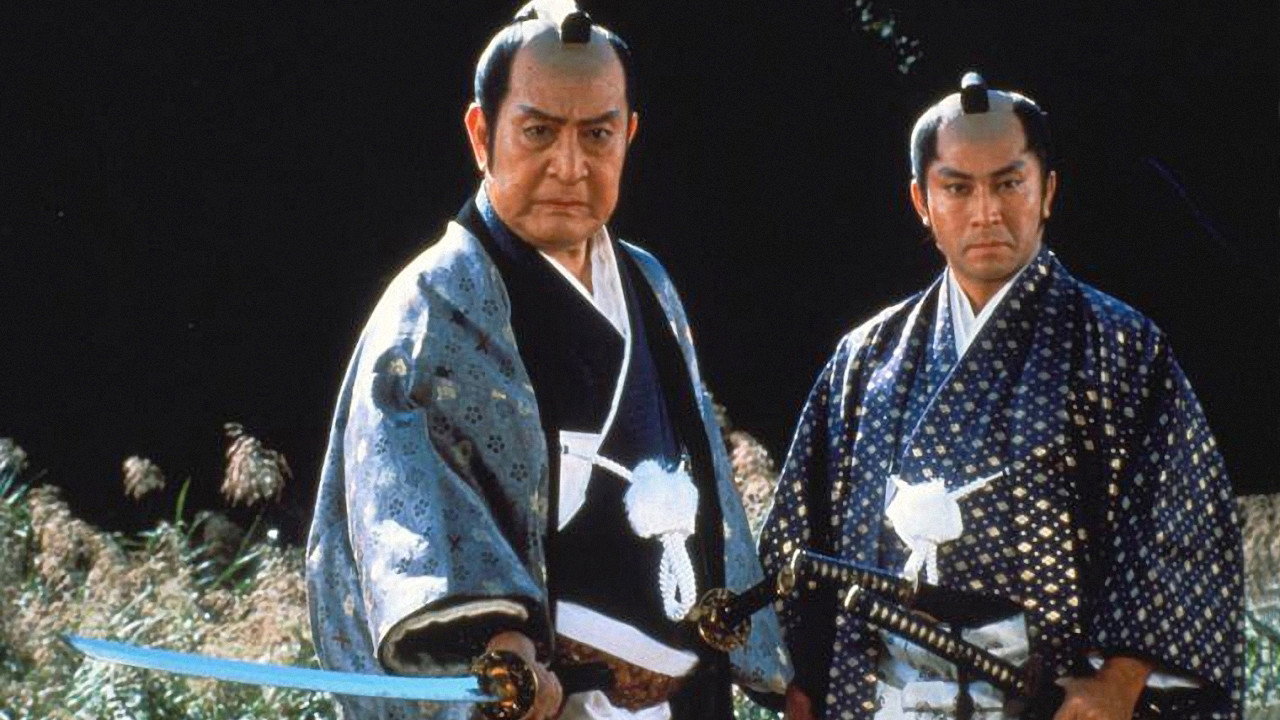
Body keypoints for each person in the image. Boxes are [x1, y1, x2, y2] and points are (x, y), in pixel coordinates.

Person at [305, 4, 790, 719]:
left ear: (628, 136)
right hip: (544, 698)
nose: (569, 165)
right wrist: (501, 646)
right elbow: (410, 512)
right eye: (538, 132)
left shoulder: (649, 283)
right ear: (482, 134)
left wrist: (773, 667)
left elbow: (707, 478)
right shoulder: (438, 303)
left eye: (597, 134)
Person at [759, 74, 1242, 720]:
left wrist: (1120, 682)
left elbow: (1179, 528)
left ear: (1048, 191)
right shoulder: (865, 359)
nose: (986, 212)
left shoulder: (1120, 347)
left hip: (1050, 696)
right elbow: (802, 540)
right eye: (958, 188)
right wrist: (805, 680)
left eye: (1009, 184)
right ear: (921, 201)